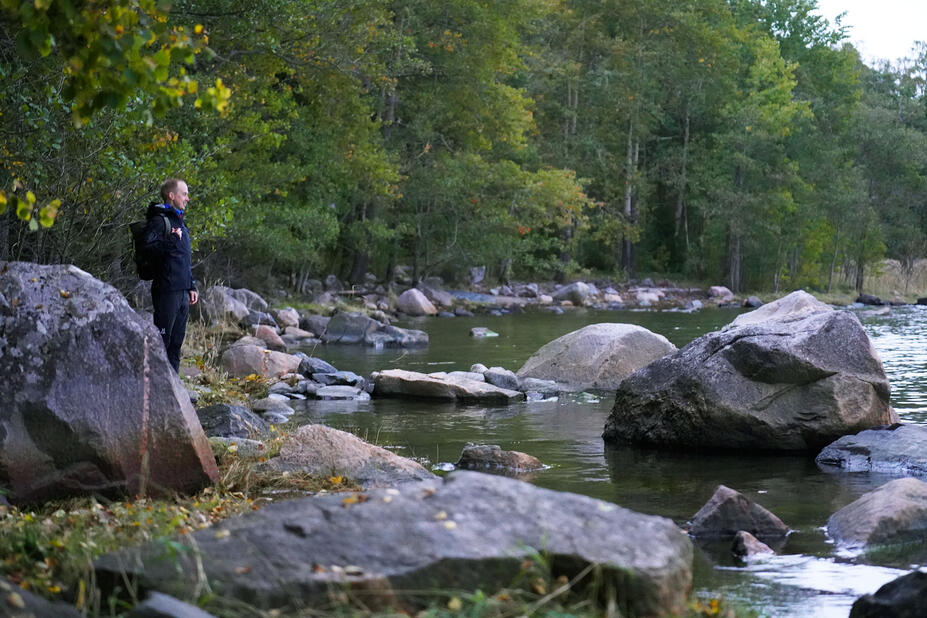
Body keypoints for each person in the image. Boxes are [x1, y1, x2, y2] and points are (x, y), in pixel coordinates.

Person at [142, 178, 198, 372]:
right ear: (171, 195)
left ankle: (174, 392)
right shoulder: (159, 220)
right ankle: (157, 391)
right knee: (162, 345)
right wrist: (172, 239)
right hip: (166, 290)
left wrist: (191, 285)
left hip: (182, 291)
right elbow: (146, 249)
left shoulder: (179, 221)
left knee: (175, 346)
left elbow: (182, 258)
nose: (187, 198)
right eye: (184, 194)